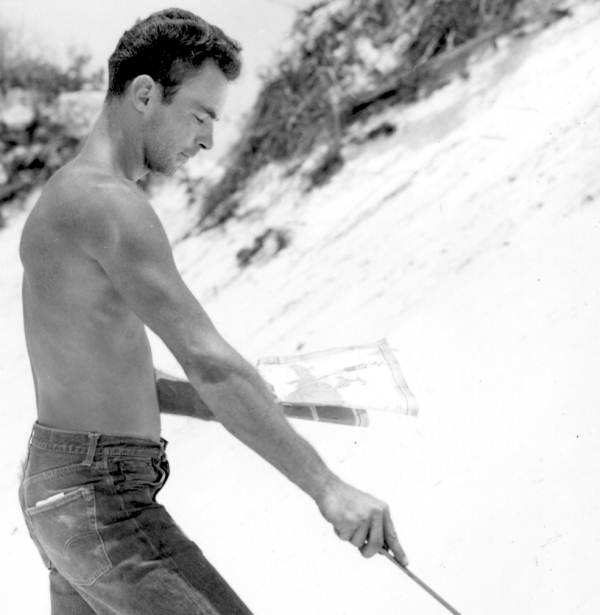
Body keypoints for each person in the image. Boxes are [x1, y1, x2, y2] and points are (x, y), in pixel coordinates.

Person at [17, 8, 408, 615]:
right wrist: (328, 488)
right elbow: (205, 358)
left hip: (58, 492)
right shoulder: (111, 206)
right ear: (145, 94)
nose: (207, 138)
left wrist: (238, 401)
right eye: (200, 115)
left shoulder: (62, 199)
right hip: (102, 503)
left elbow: (114, 375)